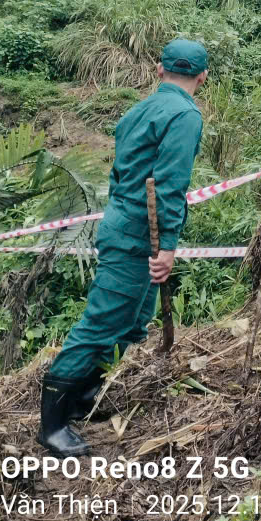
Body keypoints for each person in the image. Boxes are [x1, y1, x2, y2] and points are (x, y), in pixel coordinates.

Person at [38, 39, 208, 457]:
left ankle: (84, 393)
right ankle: (52, 424)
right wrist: (168, 246)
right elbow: (169, 186)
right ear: (202, 77)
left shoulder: (138, 110)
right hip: (138, 234)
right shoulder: (184, 115)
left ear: (158, 69)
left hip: (123, 223)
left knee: (134, 319)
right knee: (101, 323)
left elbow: (120, 173)